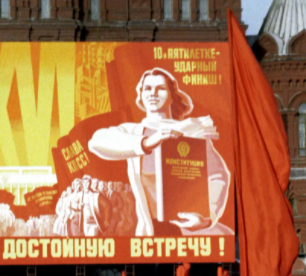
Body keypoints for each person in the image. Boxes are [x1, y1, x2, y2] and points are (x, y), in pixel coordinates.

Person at [88, 67, 232, 236]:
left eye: (160, 89)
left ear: (172, 96)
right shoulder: (133, 132)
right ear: (141, 95)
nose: (153, 93)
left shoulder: (191, 130)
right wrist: (147, 142)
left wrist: (208, 217)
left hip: (189, 232)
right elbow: (96, 141)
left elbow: (218, 175)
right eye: (147, 88)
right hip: (150, 234)